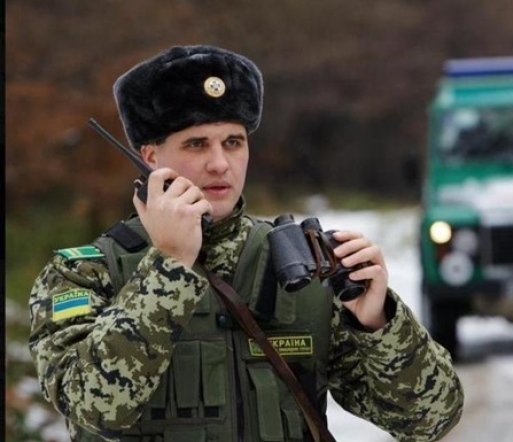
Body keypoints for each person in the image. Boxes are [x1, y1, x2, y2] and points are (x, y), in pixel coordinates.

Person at [28, 45, 464, 442]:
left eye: (233, 142)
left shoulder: (300, 264)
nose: (220, 164)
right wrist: (169, 266)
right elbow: (93, 407)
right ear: (151, 157)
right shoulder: (85, 274)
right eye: (197, 143)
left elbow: (430, 421)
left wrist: (378, 325)